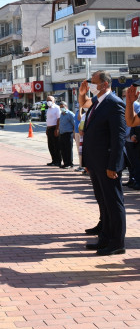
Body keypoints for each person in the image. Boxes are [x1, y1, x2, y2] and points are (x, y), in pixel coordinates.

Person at [79, 71, 127, 255]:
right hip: (96, 162)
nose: (91, 85)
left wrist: (113, 165)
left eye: (93, 82)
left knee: (113, 202)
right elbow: (84, 104)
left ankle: (117, 242)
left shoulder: (114, 103)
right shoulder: (98, 102)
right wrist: (83, 92)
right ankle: (105, 238)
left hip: (107, 163)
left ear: (104, 84)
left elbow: (119, 137)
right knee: (104, 201)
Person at [45, 95, 62, 166]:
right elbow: (48, 119)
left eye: (50, 100)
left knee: (56, 146)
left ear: (53, 101)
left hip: (54, 128)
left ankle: (58, 161)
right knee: (50, 146)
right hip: (49, 128)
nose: (48, 102)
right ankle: (53, 160)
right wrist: (47, 128)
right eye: (47, 100)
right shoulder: (48, 109)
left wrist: (57, 129)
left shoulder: (57, 108)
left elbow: (59, 119)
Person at [58, 101, 75, 168]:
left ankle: (70, 163)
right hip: (62, 134)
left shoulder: (70, 114)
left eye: (63, 107)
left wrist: (73, 133)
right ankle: (65, 163)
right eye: (61, 107)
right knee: (63, 149)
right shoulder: (61, 114)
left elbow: (74, 124)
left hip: (68, 134)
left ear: (66, 107)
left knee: (68, 149)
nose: (62, 108)